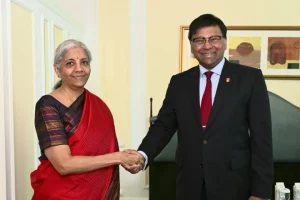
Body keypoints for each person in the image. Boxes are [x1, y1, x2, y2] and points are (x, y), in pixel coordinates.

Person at [125, 14, 273, 200]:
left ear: (225, 42)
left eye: (214, 39)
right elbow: (164, 125)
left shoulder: (249, 79)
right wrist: (142, 155)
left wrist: (260, 193)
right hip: (190, 184)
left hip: (234, 185)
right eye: (199, 40)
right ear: (192, 46)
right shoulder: (179, 82)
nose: (207, 46)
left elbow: (262, 139)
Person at [30, 39, 143, 199]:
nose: (79, 69)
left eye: (84, 62)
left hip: (97, 193)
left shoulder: (99, 105)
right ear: (57, 69)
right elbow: (63, 164)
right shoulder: (48, 105)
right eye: (70, 63)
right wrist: (119, 157)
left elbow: (106, 149)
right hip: (60, 194)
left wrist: (127, 159)